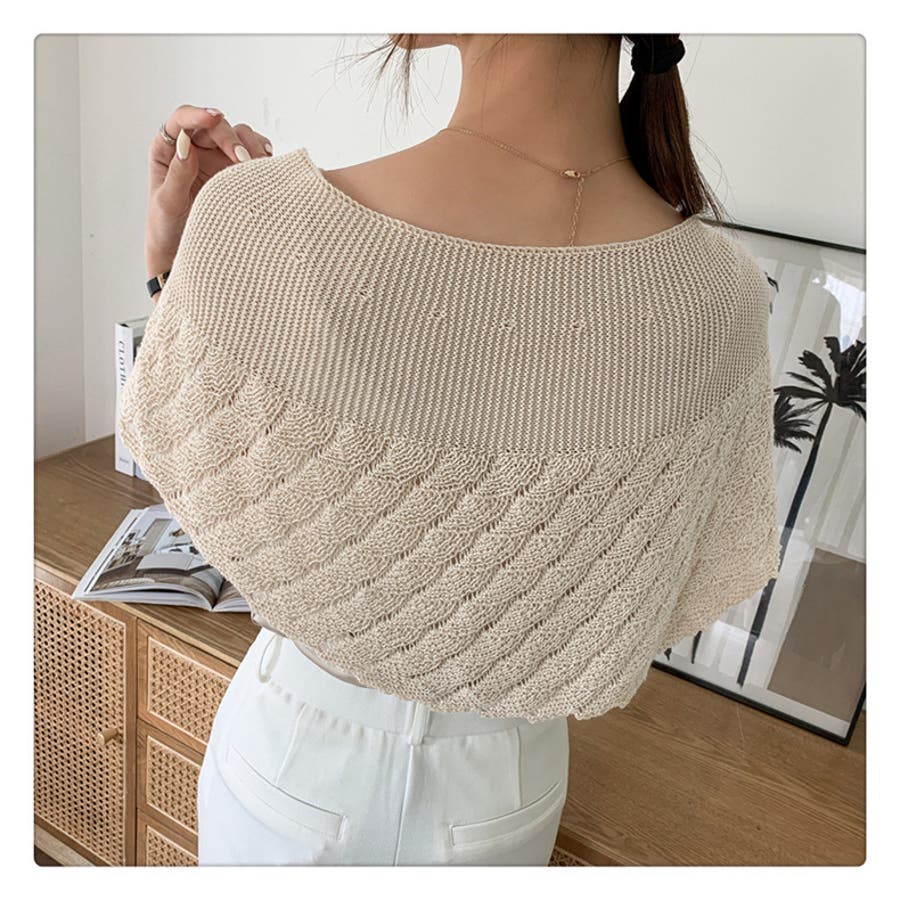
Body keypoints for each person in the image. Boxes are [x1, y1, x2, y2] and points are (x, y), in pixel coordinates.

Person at [127, 34, 779, 865]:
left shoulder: (257, 215)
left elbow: (192, 465)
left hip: (296, 753)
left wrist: (172, 267)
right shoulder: (722, 297)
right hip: (509, 784)